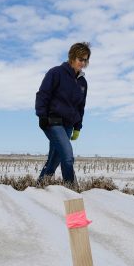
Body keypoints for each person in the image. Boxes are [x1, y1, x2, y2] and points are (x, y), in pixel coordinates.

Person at [35, 42, 90, 185]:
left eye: (85, 60)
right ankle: (71, 190)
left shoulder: (83, 82)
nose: (83, 63)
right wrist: (42, 116)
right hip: (52, 121)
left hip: (69, 125)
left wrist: (78, 127)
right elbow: (43, 94)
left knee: (54, 160)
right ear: (72, 57)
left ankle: (39, 187)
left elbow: (81, 106)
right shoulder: (56, 73)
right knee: (67, 156)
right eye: (80, 59)